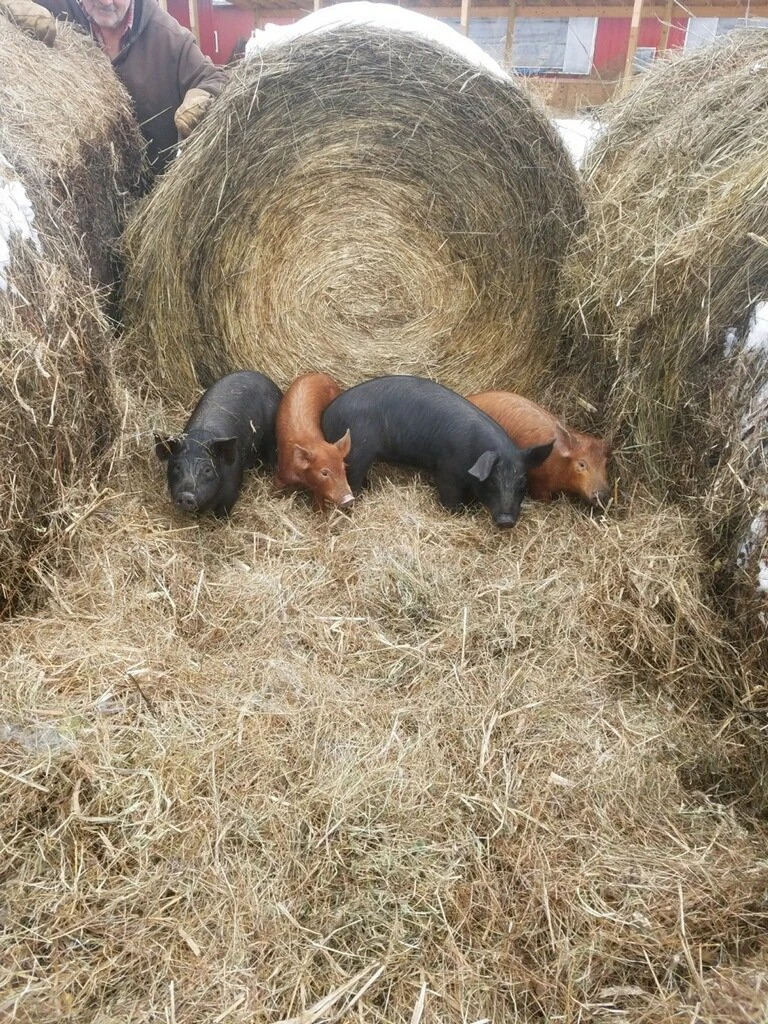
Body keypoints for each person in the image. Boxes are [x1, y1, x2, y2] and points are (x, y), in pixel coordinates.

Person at [0, 0, 229, 181]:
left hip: (152, 192)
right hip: (84, 196)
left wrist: (201, 97)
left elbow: (215, 79)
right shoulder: (57, 11)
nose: (105, 1)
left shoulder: (169, 39)